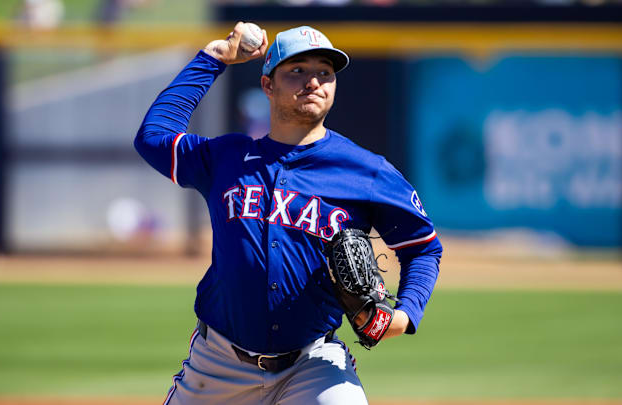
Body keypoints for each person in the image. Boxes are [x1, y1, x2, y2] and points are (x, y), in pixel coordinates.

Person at [134, 22, 442, 405]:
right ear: (268, 85)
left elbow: (423, 248)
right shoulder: (226, 158)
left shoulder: (367, 172)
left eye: (324, 73)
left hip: (314, 364)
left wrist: (405, 313)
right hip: (217, 364)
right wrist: (214, 57)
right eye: (297, 71)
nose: (312, 81)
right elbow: (152, 137)